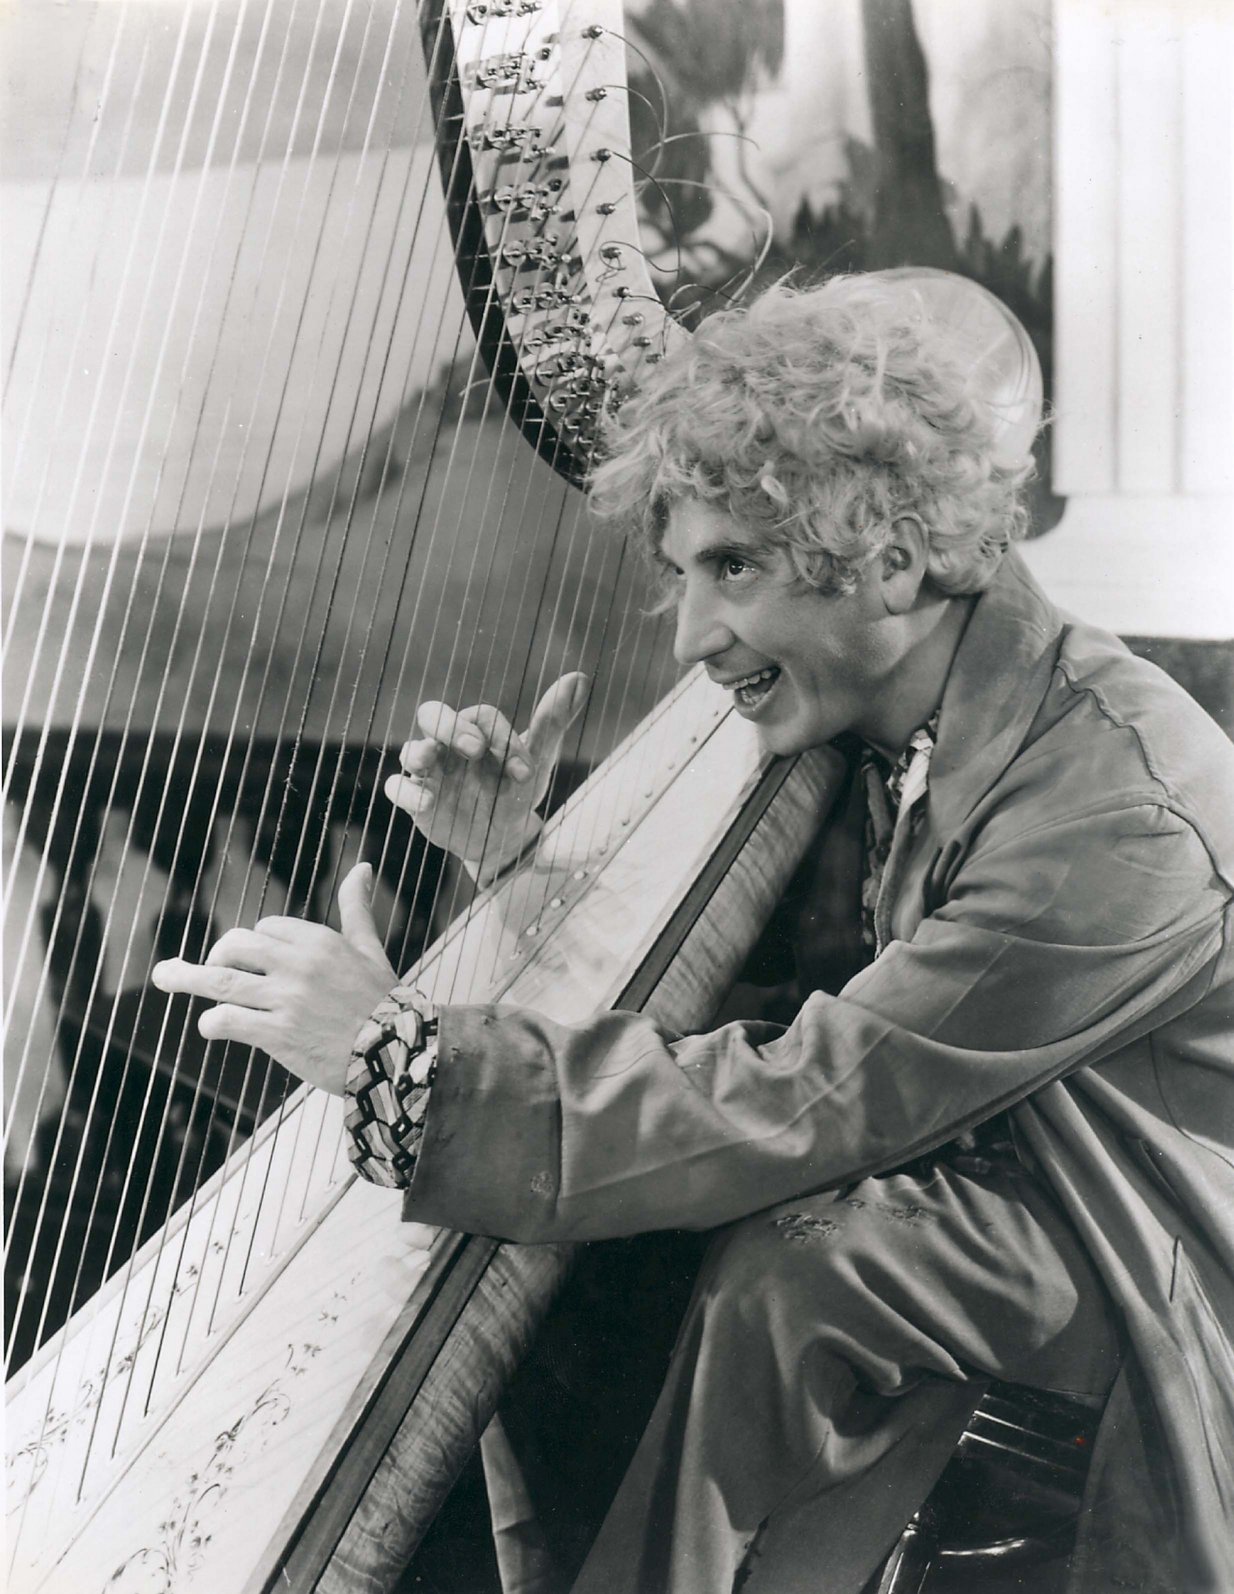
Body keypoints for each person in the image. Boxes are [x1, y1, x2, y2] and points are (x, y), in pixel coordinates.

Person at [153, 274, 1234, 1594]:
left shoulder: (1109, 811)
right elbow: (808, 1015)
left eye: (734, 567)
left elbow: (811, 1093)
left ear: (891, 556)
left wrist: (408, 1063)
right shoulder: (935, 712)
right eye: (678, 572)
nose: (687, 634)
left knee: (798, 1283)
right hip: (1008, 1178)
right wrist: (524, 863)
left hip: (1154, 1254)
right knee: (640, 1258)